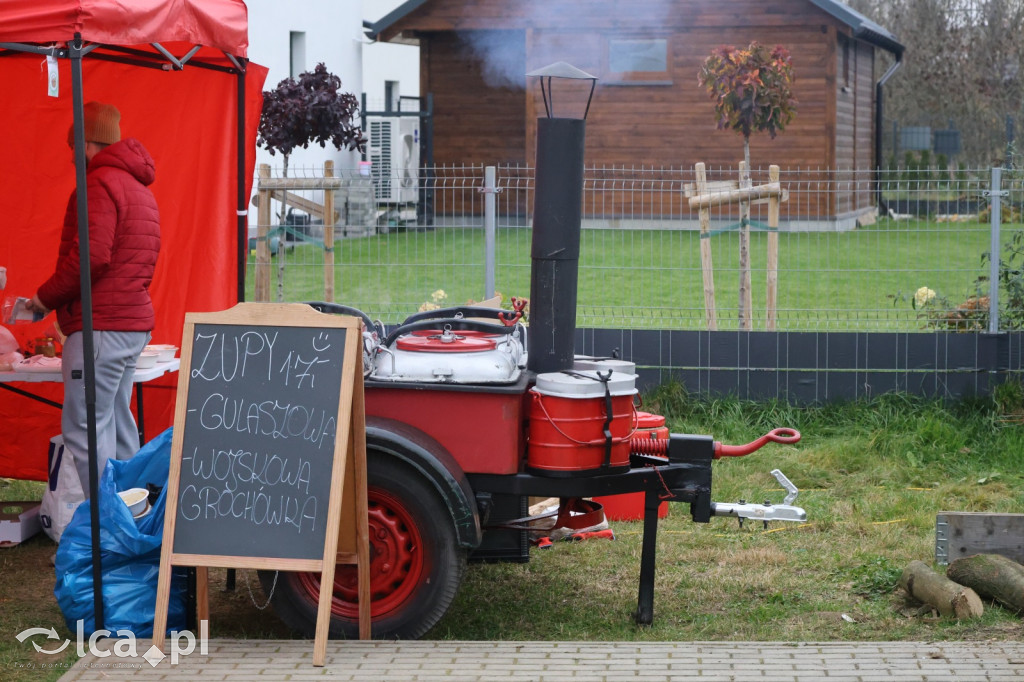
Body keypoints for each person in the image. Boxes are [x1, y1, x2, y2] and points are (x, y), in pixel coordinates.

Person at [26, 102, 160, 497]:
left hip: (101, 325)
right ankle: (133, 521)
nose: (70, 156)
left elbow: (91, 257)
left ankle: (105, 535)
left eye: (72, 146)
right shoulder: (138, 189)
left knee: (85, 429)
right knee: (117, 426)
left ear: (86, 143)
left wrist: (42, 298)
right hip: (130, 324)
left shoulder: (97, 184)